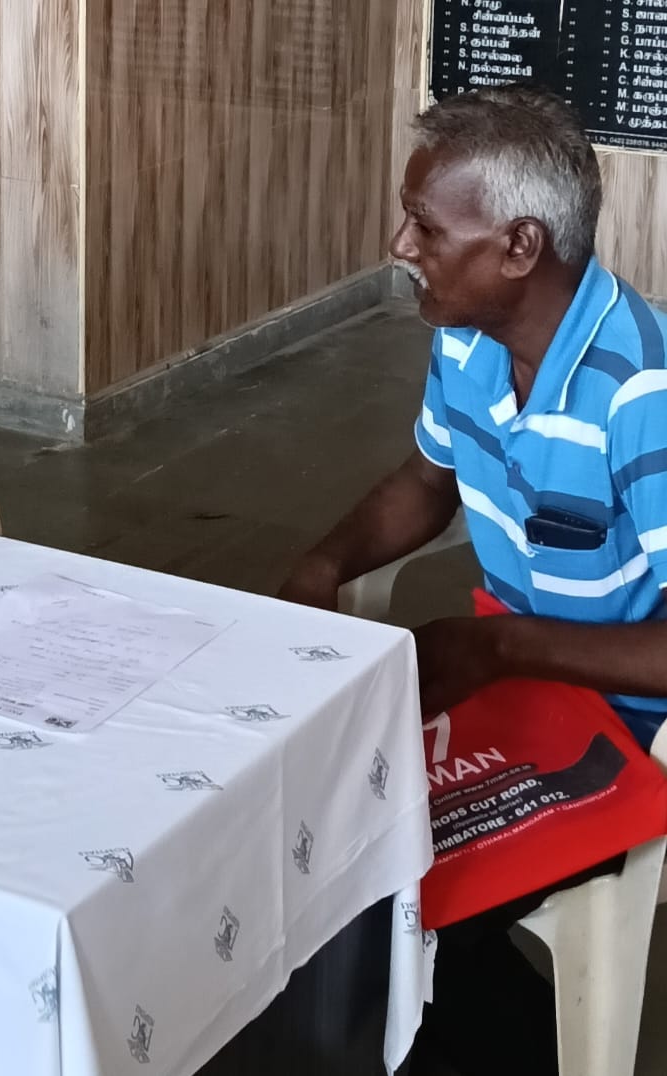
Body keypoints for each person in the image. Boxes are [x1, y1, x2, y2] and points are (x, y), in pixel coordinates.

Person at [279, 84, 667, 1075]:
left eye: (424, 225)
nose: (399, 245)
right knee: (294, 827)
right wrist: (321, 565)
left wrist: (496, 646)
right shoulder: (467, 337)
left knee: (377, 887)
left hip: (624, 728)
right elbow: (426, 480)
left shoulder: (640, 392)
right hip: (514, 682)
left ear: (519, 247)